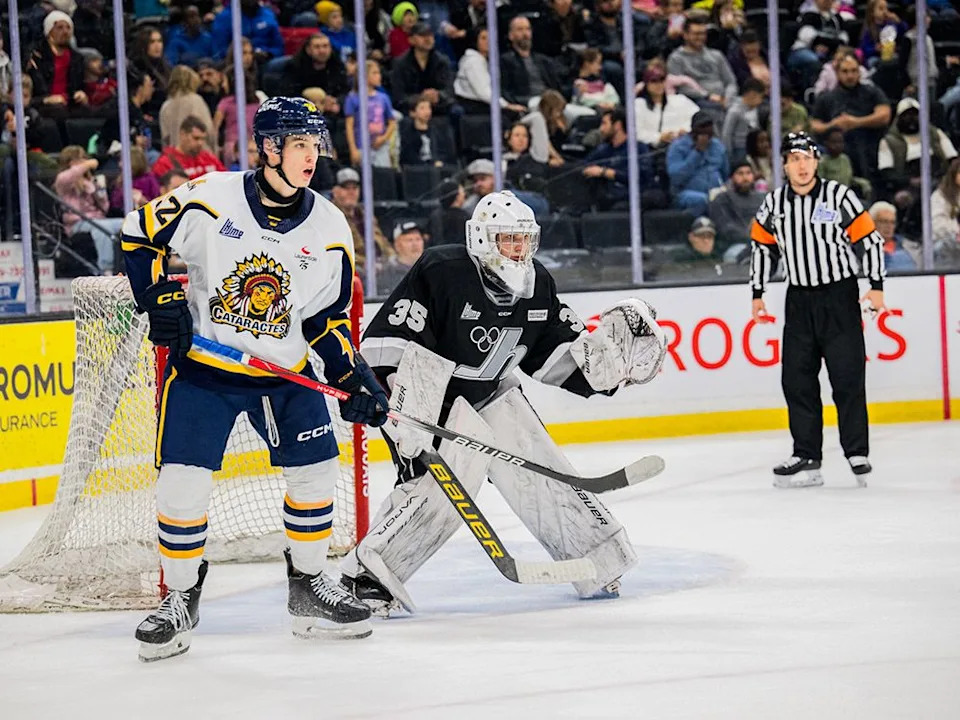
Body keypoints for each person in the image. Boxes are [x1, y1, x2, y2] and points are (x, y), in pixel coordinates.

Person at [121, 97, 387, 662]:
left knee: (316, 475)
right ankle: (180, 596)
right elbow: (137, 234)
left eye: (315, 145)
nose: (311, 156)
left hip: (284, 376)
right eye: (298, 145)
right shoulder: (210, 197)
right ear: (267, 148)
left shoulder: (330, 225)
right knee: (182, 485)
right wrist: (161, 297)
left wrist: (350, 374)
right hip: (206, 372)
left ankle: (309, 588)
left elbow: (324, 319)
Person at [339, 190, 667, 615]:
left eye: (523, 240)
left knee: (538, 460)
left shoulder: (538, 286)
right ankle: (365, 576)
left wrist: (608, 371)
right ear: (480, 238)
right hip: (426, 401)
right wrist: (394, 400)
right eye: (507, 239)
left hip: (490, 391)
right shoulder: (444, 271)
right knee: (441, 486)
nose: (517, 250)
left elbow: (556, 356)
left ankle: (597, 556)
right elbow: (392, 338)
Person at [749, 132, 886, 489]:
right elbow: (763, 247)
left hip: (839, 297)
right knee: (796, 379)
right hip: (799, 300)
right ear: (784, 164)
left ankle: (857, 451)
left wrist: (876, 286)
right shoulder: (774, 203)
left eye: (807, 157)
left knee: (847, 376)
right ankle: (807, 455)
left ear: (816, 160)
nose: (802, 164)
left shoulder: (839, 196)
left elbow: (869, 240)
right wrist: (758, 292)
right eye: (794, 158)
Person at [810, 51, 891, 182]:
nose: (850, 76)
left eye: (854, 71)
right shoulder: (826, 98)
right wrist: (833, 125)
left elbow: (884, 115)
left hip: (869, 147)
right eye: (845, 71)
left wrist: (856, 122)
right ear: (837, 73)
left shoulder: (872, 92)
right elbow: (814, 124)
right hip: (839, 152)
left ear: (859, 71)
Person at [54, 145, 126, 274]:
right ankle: (106, 269)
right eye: (81, 159)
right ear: (71, 162)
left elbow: (105, 208)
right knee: (102, 229)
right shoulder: (63, 181)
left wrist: (100, 193)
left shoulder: (90, 181)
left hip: (99, 219)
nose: (85, 162)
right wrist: (88, 164)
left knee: (128, 223)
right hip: (77, 223)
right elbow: (68, 176)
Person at [667, 110, 729, 216]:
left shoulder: (718, 146)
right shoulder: (678, 147)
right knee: (703, 200)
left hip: (715, 192)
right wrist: (697, 152)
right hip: (685, 193)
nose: (706, 133)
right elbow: (676, 178)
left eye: (709, 126)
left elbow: (725, 173)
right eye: (702, 127)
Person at [345, 60, 396, 168]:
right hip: (361, 146)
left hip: (380, 147)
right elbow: (349, 126)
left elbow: (392, 122)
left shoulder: (383, 97)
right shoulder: (353, 98)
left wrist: (384, 138)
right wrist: (353, 149)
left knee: (382, 176)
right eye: (375, 73)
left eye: (379, 73)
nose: (379, 76)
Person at [634, 64, 699, 148]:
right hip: (655, 150)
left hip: (684, 144)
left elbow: (698, 117)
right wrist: (659, 137)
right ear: (646, 84)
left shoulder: (680, 100)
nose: (659, 84)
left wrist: (686, 130)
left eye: (662, 80)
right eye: (654, 81)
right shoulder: (638, 105)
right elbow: (637, 133)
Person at [160, 65, 216, 152]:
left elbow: (166, 139)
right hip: (200, 155)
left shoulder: (165, 106)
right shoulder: (196, 101)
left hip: (176, 157)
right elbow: (209, 130)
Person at [708, 161, 763, 248]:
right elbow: (725, 229)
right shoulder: (723, 199)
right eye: (740, 173)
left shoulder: (762, 198)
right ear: (732, 177)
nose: (745, 177)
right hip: (736, 245)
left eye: (748, 173)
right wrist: (750, 234)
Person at [152, 115, 226, 180]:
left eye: (203, 139)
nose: (200, 143)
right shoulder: (165, 163)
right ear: (183, 134)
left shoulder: (209, 158)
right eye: (196, 138)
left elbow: (225, 179)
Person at [399, 93, 456, 166]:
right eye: (422, 108)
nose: (427, 111)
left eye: (429, 108)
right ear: (412, 113)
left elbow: (446, 153)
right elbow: (408, 156)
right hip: (416, 170)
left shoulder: (439, 130)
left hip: (436, 169)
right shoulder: (407, 132)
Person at [719, 78, 765, 164]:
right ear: (752, 94)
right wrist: (729, 155)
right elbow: (727, 134)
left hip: (752, 149)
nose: (761, 101)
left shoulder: (754, 110)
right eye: (760, 97)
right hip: (739, 149)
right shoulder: (734, 111)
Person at [868, 201, 918, 272]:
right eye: (884, 221)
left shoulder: (907, 247)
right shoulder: (862, 248)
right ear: (872, 223)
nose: (889, 226)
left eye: (892, 222)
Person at [378, 220, 425, 291]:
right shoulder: (385, 272)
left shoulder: (430, 269)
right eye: (409, 240)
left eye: (418, 239)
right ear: (397, 245)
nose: (415, 244)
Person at [427, 177, 468, 246]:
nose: (464, 195)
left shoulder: (435, 215)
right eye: (462, 192)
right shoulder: (464, 217)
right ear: (457, 196)